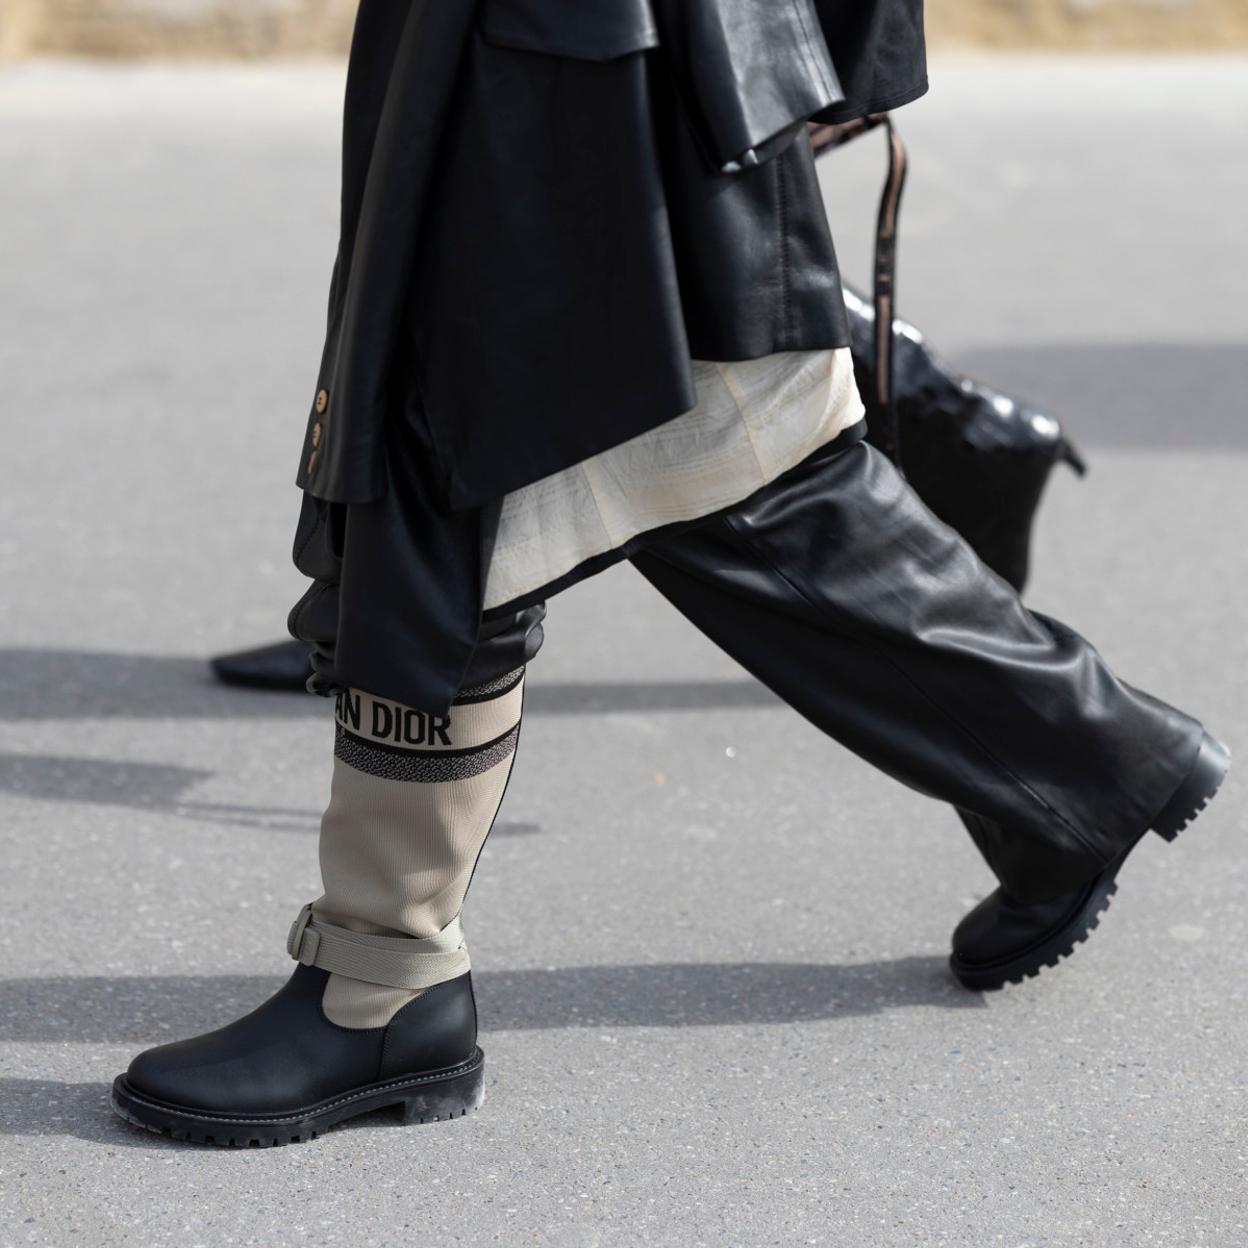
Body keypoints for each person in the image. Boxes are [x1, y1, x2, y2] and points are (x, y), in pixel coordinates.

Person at [111, 0, 1228, 1148]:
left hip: (561, 44)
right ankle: (1073, 760)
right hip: (588, 41)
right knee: (711, 451)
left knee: (460, 483)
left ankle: (381, 984)